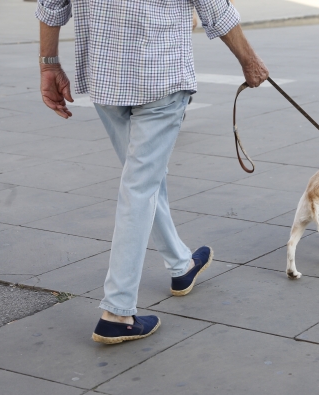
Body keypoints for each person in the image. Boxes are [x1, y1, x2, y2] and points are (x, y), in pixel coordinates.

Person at [36, 0, 268, 344]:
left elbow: (51, 5)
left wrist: (49, 64)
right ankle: (117, 311)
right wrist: (249, 61)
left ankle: (181, 265)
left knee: (142, 179)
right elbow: (215, 8)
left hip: (105, 78)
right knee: (139, 187)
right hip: (160, 76)